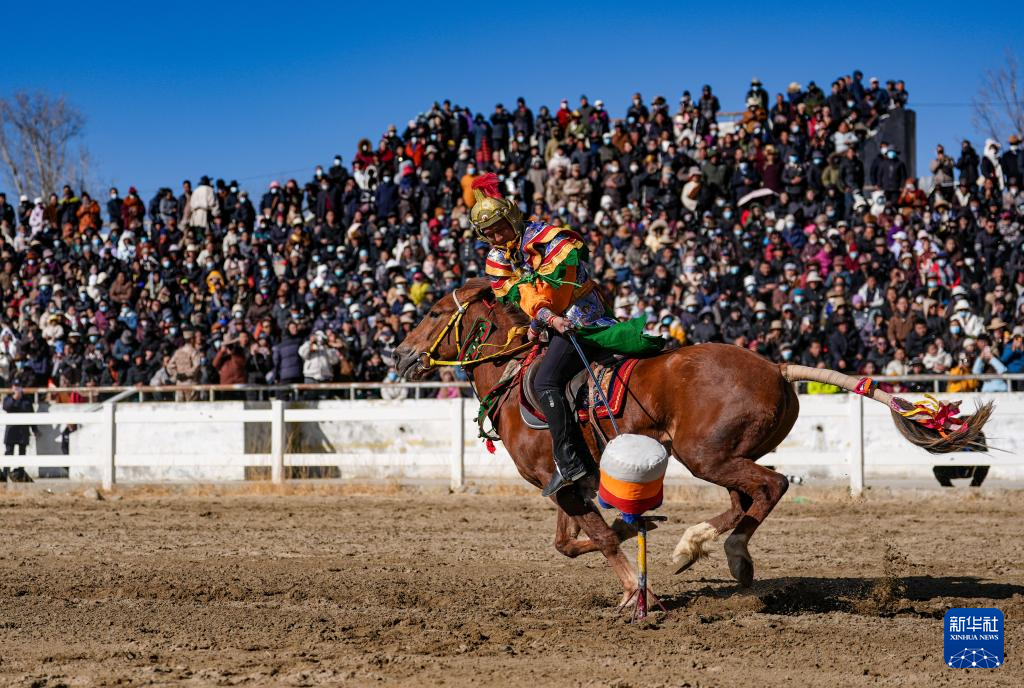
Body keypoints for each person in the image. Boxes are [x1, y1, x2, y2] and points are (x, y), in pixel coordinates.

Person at [471, 173, 661, 496]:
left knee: (545, 381)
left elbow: (556, 290)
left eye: (499, 228)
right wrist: (538, 322)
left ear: (511, 217)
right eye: (489, 235)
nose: (497, 237)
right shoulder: (500, 258)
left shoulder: (548, 239)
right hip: (551, 323)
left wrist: (546, 320)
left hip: (578, 317)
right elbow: (522, 296)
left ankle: (569, 461)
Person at [3, 383, 37, 482]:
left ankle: (20, 475)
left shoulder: (27, 400)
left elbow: (31, 415)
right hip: (11, 431)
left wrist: (34, 429)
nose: (17, 389)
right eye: (15, 387)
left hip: (23, 431)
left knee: (22, 454)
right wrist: (14, 399)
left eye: (19, 387)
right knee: (9, 453)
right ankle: (5, 474)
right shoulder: (8, 399)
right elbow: (6, 407)